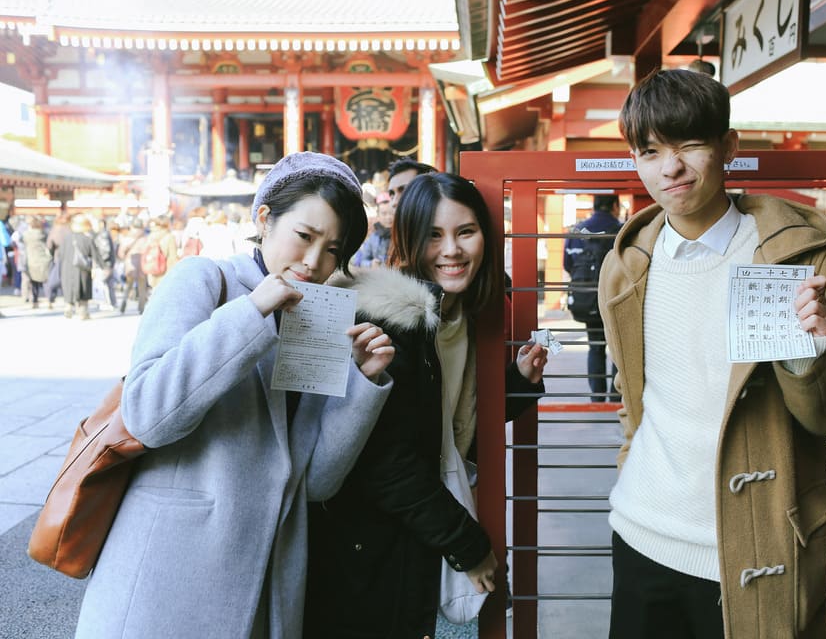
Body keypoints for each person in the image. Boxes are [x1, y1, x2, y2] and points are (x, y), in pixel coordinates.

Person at [74, 152, 396, 639]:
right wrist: (251, 313)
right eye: (304, 236)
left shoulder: (321, 317)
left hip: (267, 583)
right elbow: (146, 414)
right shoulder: (203, 278)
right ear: (264, 219)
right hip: (170, 577)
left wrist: (362, 384)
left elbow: (316, 483)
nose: (314, 261)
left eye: (333, 249)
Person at [598, 69, 826, 639]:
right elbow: (633, 392)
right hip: (642, 532)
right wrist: (630, 466)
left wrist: (809, 352)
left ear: (728, 147)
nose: (670, 168)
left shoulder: (801, 261)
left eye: (689, 145)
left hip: (756, 544)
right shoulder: (625, 266)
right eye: (650, 152)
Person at [304, 172, 548, 638]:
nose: (451, 250)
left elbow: (446, 429)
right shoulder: (389, 322)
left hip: (423, 528)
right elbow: (386, 462)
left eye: (465, 232)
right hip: (375, 545)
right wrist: (467, 544)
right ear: (409, 240)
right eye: (434, 235)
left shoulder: (463, 315)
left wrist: (516, 384)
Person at [564, 194, 623, 401]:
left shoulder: (577, 231)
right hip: (615, 298)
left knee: (595, 347)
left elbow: (568, 264)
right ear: (615, 206)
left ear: (594, 205)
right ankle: (616, 397)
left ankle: (597, 398)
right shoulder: (621, 230)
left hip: (588, 298)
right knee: (618, 349)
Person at [60, 214, 103, 320]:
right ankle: (83, 312)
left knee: (69, 287)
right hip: (83, 268)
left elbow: (61, 254)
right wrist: (99, 267)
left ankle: (68, 306)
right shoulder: (87, 238)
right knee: (83, 288)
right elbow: (95, 255)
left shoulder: (67, 238)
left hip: (67, 267)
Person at [352, 191, 394, 267]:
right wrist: (371, 264)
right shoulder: (373, 237)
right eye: (384, 213)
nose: (388, 217)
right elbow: (362, 260)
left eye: (391, 213)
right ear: (378, 215)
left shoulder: (401, 235)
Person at [117, 219, 149, 314]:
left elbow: (121, 253)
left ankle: (123, 303)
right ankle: (141, 308)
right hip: (142, 265)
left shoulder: (127, 238)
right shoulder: (145, 238)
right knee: (142, 287)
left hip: (130, 265)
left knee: (128, 286)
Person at [23, 216, 52, 308]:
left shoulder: (26, 235)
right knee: (46, 281)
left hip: (31, 260)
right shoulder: (44, 233)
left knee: (33, 282)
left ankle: (34, 301)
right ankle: (49, 300)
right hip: (44, 259)